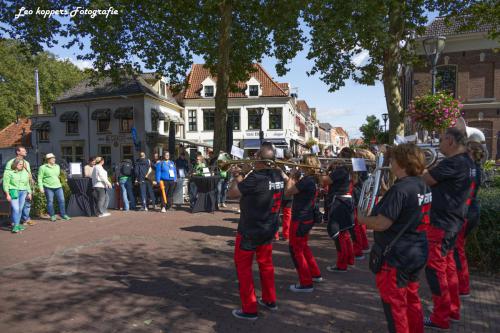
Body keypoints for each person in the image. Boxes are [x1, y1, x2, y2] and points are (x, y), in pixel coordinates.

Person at [358, 143, 431, 333]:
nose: (390, 162)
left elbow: (382, 223)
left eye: (392, 158)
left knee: (395, 307)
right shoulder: (422, 184)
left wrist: (361, 219)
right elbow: (408, 210)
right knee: (412, 299)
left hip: (397, 257)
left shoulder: (400, 190)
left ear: (401, 162)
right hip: (417, 250)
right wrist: (386, 193)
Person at [422, 127, 474, 330]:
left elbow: (427, 179)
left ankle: (440, 317)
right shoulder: (467, 161)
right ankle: (452, 310)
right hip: (453, 221)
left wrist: (417, 164)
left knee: (435, 270)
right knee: (449, 267)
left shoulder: (453, 162)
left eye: (441, 139)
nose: (439, 143)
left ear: (451, 141)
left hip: (441, 223)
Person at [227, 142, 284, 320]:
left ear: (260, 159)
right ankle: (269, 299)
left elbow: (233, 193)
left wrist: (238, 174)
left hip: (250, 230)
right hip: (269, 228)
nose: (252, 159)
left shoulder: (255, 177)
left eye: (255, 156)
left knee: (243, 268)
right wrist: (243, 174)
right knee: (266, 266)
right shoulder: (278, 175)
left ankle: (250, 308)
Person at [284, 154, 322, 292]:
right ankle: (315, 273)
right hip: (307, 218)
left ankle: (305, 282)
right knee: (303, 247)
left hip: (300, 219)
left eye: (302, 162)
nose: (300, 164)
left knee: (296, 250)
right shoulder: (311, 179)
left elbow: (287, 192)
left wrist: (292, 176)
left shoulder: (306, 181)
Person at [454, 140, 484, 297]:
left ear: (470, 151)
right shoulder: (475, 168)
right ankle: (461, 287)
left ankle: (462, 288)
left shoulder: (470, 169)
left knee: (457, 251)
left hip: (465, 213)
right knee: (458, 250)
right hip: (470, 211)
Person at [322, 147, 355, 272]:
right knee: (344, 233)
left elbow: (324, 181)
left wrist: (325, 169)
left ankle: (341, 264)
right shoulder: (350, 169)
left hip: (339, 202)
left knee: (337, 234)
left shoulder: (341, 170)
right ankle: (349, 259)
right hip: (346, 201)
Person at [4, 146, 33, 226]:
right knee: (15, 207)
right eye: (23, 150)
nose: (26, 151)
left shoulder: (26, 163)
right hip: (14, 187)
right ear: (18, 152)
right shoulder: (10, 162)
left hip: (25, 186)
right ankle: (14, 222)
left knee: (24, 205)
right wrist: (7, 192)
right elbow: (7, 176)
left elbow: (28, 174)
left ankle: (23, 219)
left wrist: (30, 186)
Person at [38, 153, 71, 222]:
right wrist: (41, 188)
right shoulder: (43, 167)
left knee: (62, 201)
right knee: (50, 202)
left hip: (58, 187)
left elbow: (58, 176)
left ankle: (63, 214)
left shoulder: (57, 166)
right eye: (52, 158)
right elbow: (40, 178)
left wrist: (63, 182)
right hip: (48, 187)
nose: (54, 159)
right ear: (48, 160)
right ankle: (52, 216)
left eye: (54, 158)